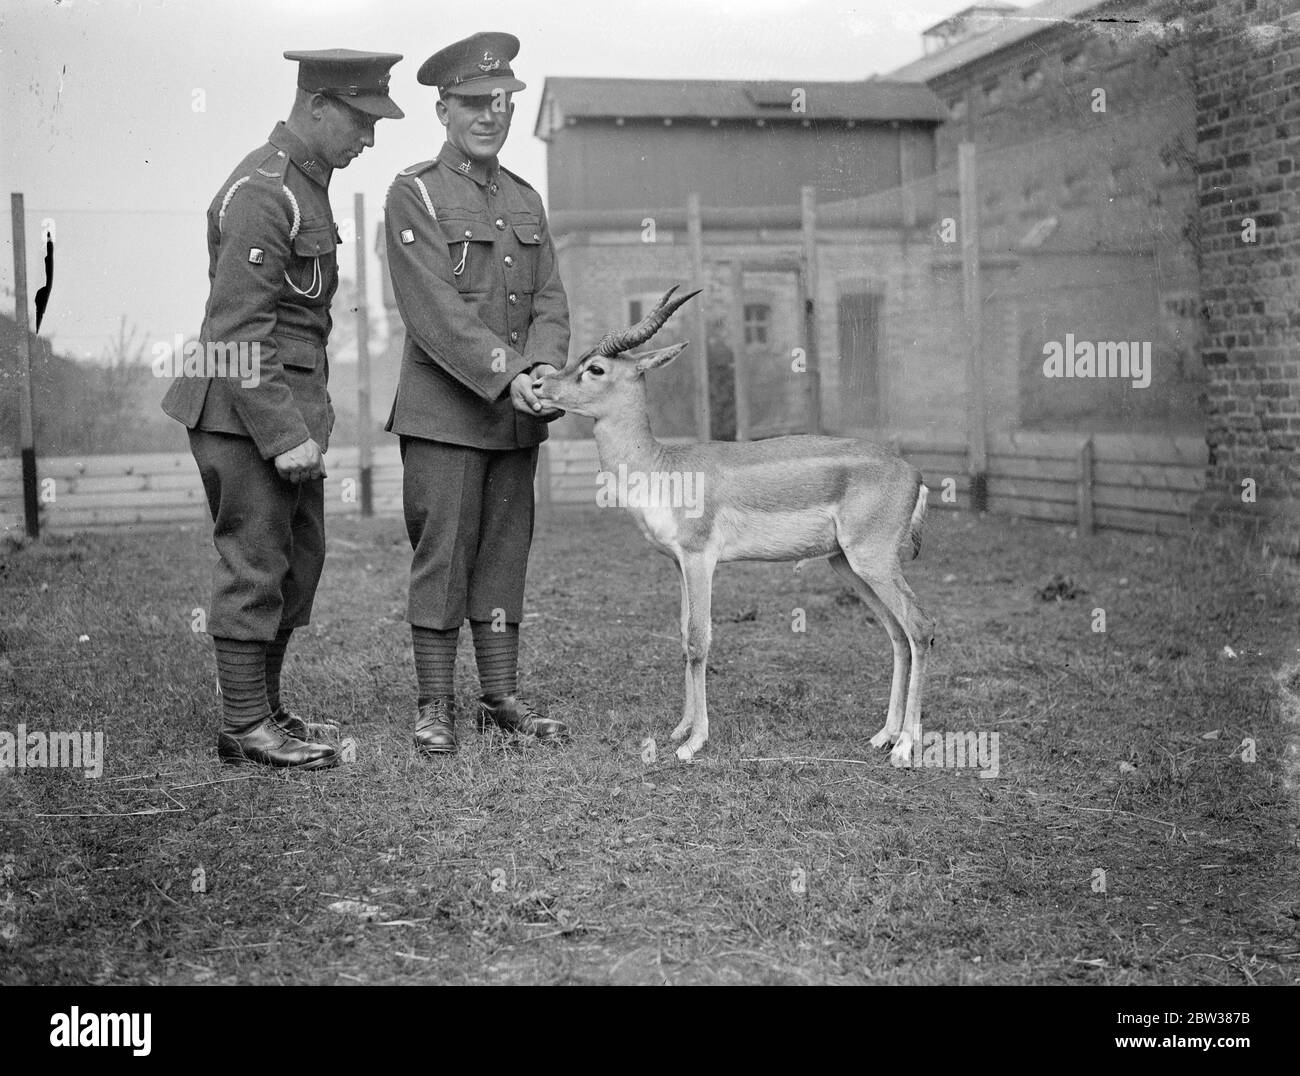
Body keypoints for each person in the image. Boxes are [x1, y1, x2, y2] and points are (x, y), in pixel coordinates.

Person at [162, 49, 403, 768]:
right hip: (244, 414)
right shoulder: (265, 191)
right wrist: (280, 433)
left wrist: (301, 426)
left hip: (287, 413)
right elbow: (237, 333)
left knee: (299, 563)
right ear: (318, 106)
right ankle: (242, 725)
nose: (368, 138)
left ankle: (264, 711)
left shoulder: (309, 184)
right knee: (256, 561)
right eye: (361, 121)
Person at [384, 31, 570, 755]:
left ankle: (500, 698)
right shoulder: (416, 192)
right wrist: (511, 374)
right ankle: (435, 706)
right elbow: (433, 309)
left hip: (517, 416)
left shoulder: (525, 198)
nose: (489, 115)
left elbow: (551, 298)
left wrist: (547, 371)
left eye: (502, 102)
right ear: (443, 110)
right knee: (443, 560)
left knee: (503, 555)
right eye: (472, 103)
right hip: (445, 416)